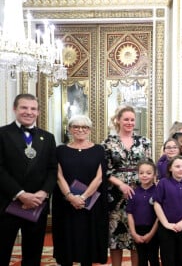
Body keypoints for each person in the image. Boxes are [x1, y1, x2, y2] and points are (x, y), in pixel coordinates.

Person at [0, 93, 57, 266]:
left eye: (33, 108)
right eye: (24, 107)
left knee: (33, 255)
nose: (29, 112)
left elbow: (52, 169)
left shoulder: (47, 137)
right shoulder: (2, 134)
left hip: (37, 205)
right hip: (7, 203)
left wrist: (43, 192)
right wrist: (20, 194)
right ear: (15, 109)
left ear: (38, 112)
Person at [52, 115, 108, 266]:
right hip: (66, 204)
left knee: (87, 245)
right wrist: (71, 197)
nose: (80, 130)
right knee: (66, 244)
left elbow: (99, 178)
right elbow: (58, 176)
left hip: (90, 203)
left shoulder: (98, 150)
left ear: (89, 130)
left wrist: (82, 197)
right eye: (76, 126)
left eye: (84, 127)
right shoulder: (60, 150)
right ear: (70, 129)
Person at [102, 105, 152, 266]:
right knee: (115, 237)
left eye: (132, 119)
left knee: (135, 235)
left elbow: (149, 166)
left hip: (139, 193)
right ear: (118, 120)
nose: (129, 122)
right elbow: (104, 169)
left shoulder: (144, 141)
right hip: (115, 195)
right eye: (126, 119)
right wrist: (121, 185)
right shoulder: (108, 142)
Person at [153, 155, 182, 266]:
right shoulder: (163, 182)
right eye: (177, 166)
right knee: (168, 258)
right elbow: (157, 203)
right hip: (166, 227)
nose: (181, 169)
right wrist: (166, 223)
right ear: (170, 168)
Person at [126, 159, 160, 266]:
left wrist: (151, 234)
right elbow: (130, 213)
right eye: (141, 173)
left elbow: (160, 216)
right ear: (138, 174)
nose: (144, 175)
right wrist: (134, 233)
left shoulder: (158, 191)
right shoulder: (133, 192)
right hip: (138, 230)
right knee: (141, 259)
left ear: (155, 174)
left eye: (148, 173)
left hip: (154, 230)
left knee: (153, 257)